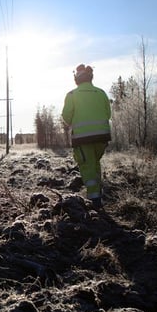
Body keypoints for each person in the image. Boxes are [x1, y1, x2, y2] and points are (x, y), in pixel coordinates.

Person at [61, 64, 112, 209]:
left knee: (87, 165)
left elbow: (66, 117)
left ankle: (95, 200)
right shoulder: (101, 93)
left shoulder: (72, 95)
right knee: (95, 163)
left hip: (83, 138)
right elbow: (108, 114)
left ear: (76, 78)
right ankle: (97, 193)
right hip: (102, 137)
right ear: (91, 77)